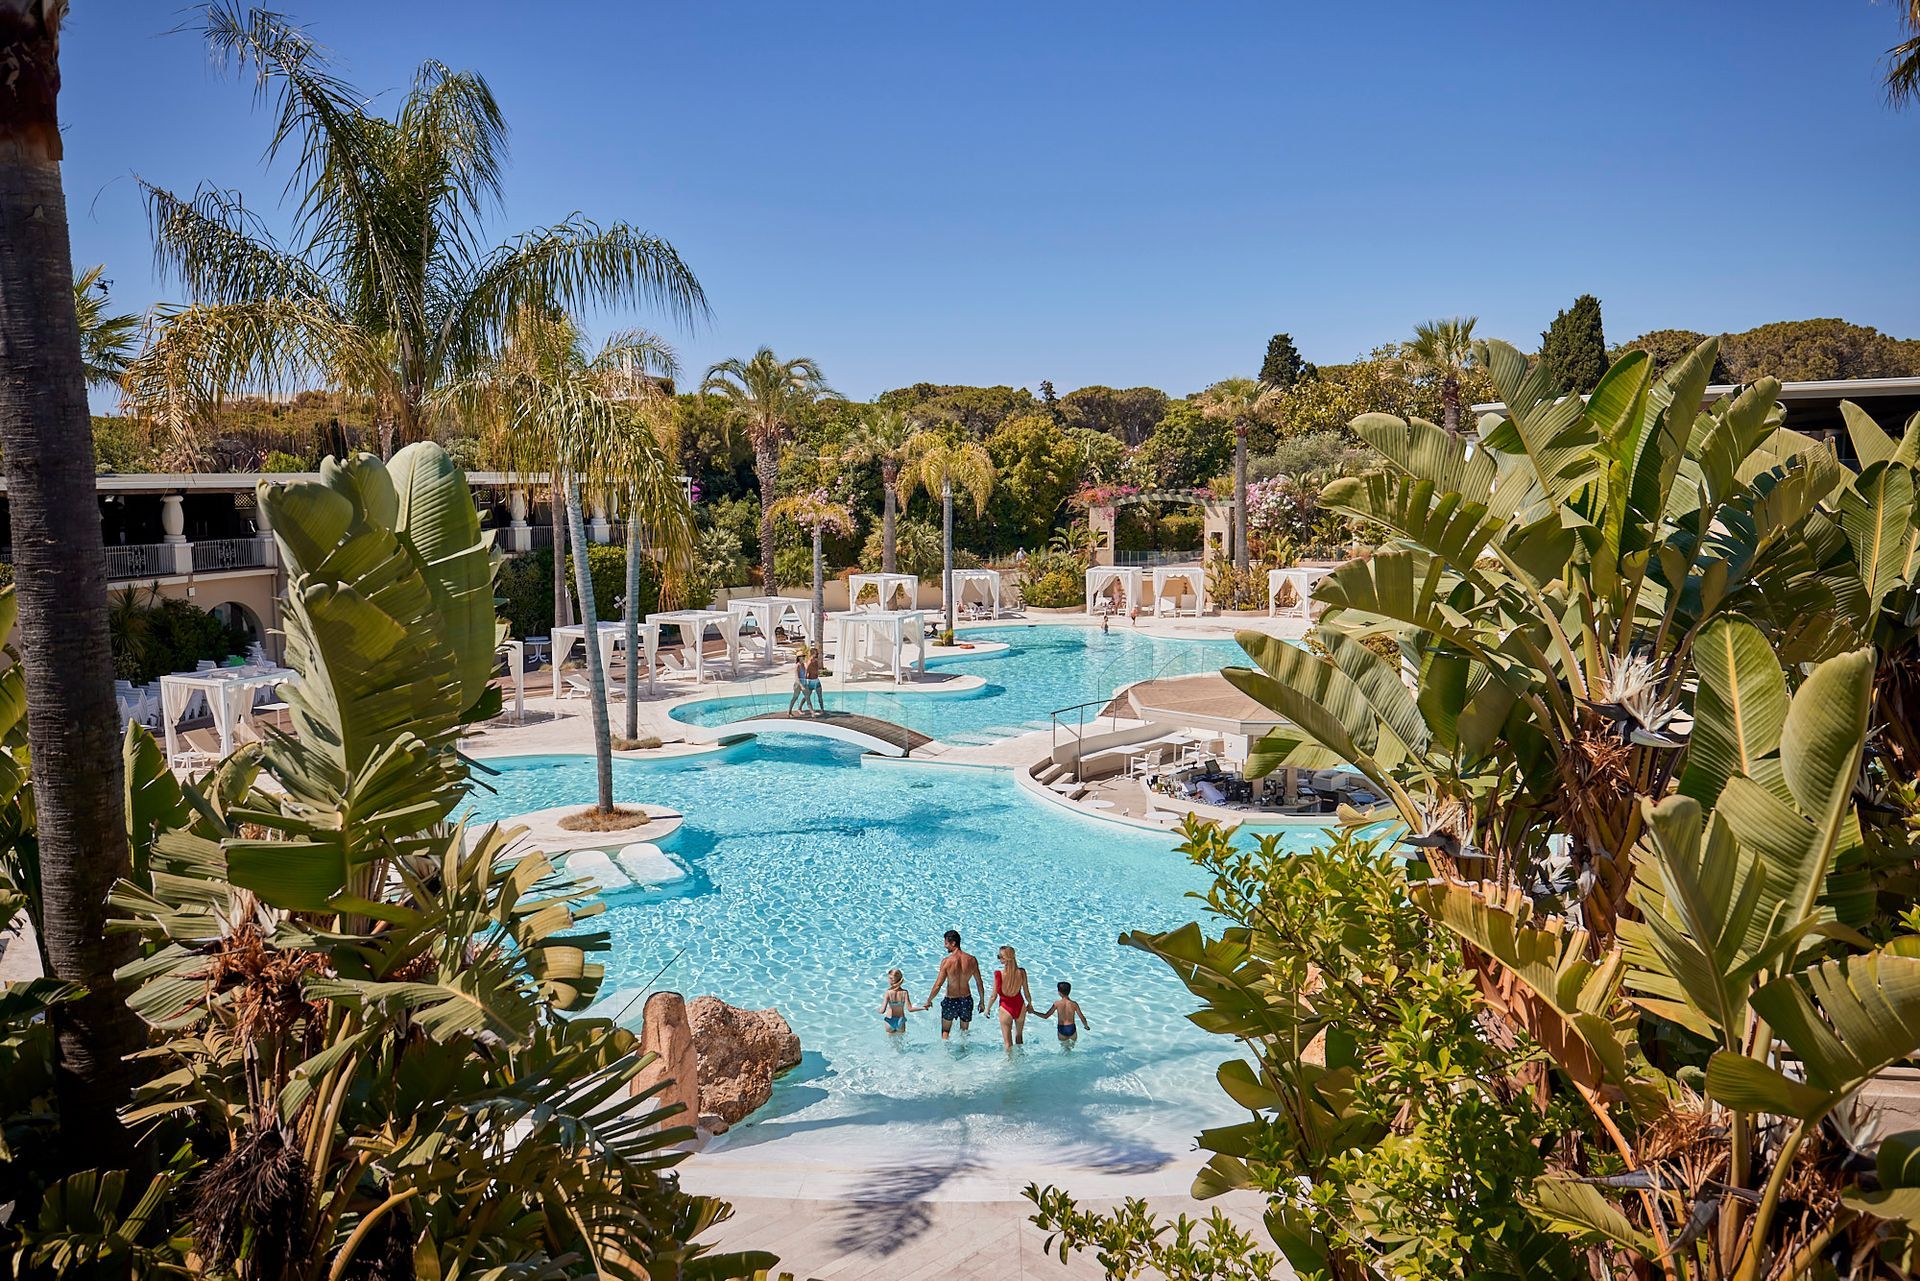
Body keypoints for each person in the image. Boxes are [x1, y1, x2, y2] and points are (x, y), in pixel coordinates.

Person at [926, 928, 985, 1039]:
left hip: (951, 1000)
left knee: (945, 1031)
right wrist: (982, 1001)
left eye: (946, 943)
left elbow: (938, 985)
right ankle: (964, 1052)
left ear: (953, 943)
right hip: (966, 999)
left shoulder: (947, 961)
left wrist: (929, 1000)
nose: (945, 946)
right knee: (964, 1032)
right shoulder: (972, 960)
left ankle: (945, 1054)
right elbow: (979, 983)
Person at [991, 944, 1033, 1049]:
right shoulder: (1022, 972)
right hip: (1020, 1006)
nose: (999, 959)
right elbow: (1026, 992)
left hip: (1005, 1008)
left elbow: (993, 996)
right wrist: (1030, 1004)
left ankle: (1010, 1064)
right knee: (1019, 1038)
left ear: (1004, 958)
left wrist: (987, 1009)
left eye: (999, 956)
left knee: (1008, 1044)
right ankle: (1021, 1062)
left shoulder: (998, 974)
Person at [1036, 980, 1088, 1045]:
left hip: (1062, 1029)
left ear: (1059, 992)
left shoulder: (1057, 1003)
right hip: (1072, 1028)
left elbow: (1046, 1016)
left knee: (1064, 1049)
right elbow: (1082, 1018)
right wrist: (1086, 1026)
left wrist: (1033, 1012)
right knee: (1071, 1048)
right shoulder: (1074, 1004)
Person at [878, 969, 920, 1034]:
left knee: (890, 1042)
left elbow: (882, 1011)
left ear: (891, 980)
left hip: (890, 1020)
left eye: (889, 978)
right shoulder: (905, 992)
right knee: (900, 1042)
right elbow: (910, 1009)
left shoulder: (888, 992)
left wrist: (878, 1010)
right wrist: (923, 1007)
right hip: (900, 1020)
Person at [787, 648, 811, 716]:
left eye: (804, 656)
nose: (803, 657)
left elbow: (804, 675)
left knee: (807, 696)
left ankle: (800, 708)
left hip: (803, 683)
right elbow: (797, 677)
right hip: (798, 684)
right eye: (802, 656)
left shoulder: (803, 665)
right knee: (795, 697)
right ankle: (789, 711)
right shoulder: (797, 665)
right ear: (799, 657)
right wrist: (801, 686)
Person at [803, 647, 825, 714]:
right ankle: (800, 707)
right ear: (812, 654)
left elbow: (816, 670)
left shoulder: (816, 661)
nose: (817, 655)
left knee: (820, 696)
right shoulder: (809, 662)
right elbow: (806, 673)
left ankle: (822, 710)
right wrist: (804, 682)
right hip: (811, 681)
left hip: (816, 680)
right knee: (807, 696)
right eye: (816, 654)